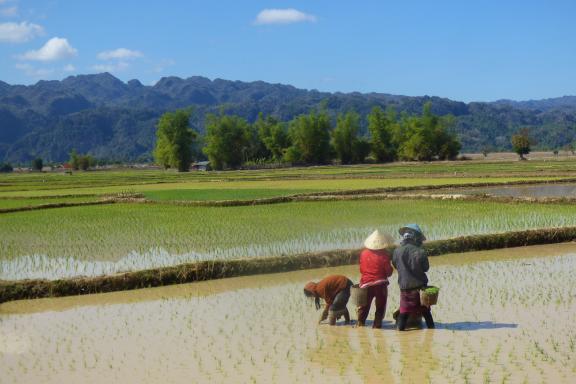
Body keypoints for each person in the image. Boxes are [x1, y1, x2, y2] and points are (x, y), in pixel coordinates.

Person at [392, 224, 435, 331]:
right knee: (425, 311)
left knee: (404, 312)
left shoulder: (397, 251)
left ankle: (400, 332)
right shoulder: (420, 252)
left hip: (405, 286)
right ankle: (432, 331)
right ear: (415, 238)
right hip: (420, 287)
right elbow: (425, 268)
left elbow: (395, 265)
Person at [357, 230, 394, 328]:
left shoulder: (363, 253)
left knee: (364, 306)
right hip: (380, 285)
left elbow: (361, 269)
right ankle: (377, 326)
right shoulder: (384, 255)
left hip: (366, 284)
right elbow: (388, 272)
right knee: (380, 307)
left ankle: (360, 324)